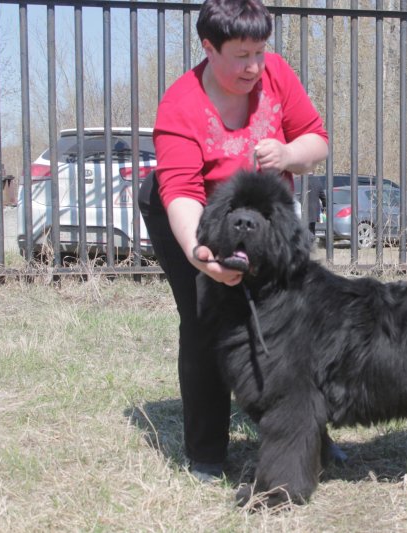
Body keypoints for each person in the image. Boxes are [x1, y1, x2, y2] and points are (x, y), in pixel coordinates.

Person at [139, 0, 328, 482]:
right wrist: (201, 258)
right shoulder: (179, 105)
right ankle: (207, 451)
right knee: (207, 320)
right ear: (209, 47)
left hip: (262, 218)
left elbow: (317, 142)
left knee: (291, 319)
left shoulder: (276, 75)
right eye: (241, 54)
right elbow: (180, 193)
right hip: (194, 216)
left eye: (260, 52)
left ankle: (306, 434)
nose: (254, 66)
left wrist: (288, 151)